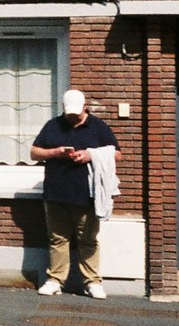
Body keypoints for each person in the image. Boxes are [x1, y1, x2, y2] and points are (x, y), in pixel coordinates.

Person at [30, 88, 121, 300]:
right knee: (57, 239)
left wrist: (91, 155)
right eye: (69, 115)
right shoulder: (53, 125)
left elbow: (117, 153)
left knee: (88, 239)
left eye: (77, 115)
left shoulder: (98, 126)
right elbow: (34, 152)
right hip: (55, 192)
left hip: (86, 195)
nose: (72, 118)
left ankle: (92, 282)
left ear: (85, 108)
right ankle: (55, 280)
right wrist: (56, 152)